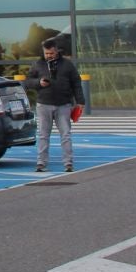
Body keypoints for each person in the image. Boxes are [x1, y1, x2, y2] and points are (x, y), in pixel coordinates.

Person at [27, 38, 84, 173]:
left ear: (56, 51)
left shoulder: (67, 65)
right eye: (46, 53)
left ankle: (68, 163)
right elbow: (28, 81)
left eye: (51, 53)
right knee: (43, 135)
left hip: (63, 104)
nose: (49, 56)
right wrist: (39, 83)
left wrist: (80, 101)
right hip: (43, 104)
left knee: (65, 135)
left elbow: (76, 83)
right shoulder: (37, 64)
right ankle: (41, 163)